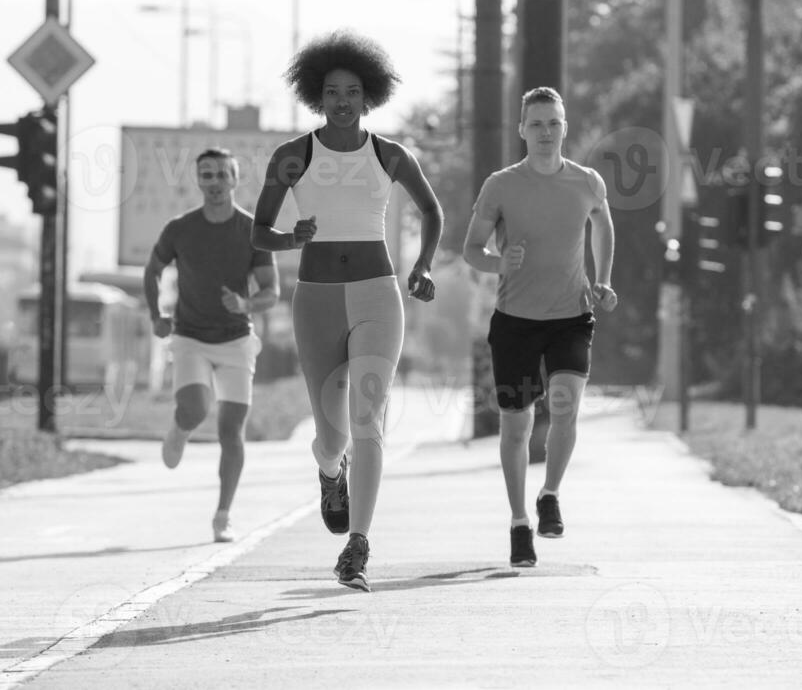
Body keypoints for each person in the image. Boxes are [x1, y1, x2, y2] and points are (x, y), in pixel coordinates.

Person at [253, 29, 443, 592]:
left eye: (353, 91)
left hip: (376, 296)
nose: (342, 100)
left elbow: (431, 212)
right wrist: (292, 238)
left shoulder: (390, 155)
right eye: (332, 91)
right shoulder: (293, 156)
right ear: (317, 96)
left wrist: (424, 266)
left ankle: (357, 546)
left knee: (368, 421)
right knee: (333, 435)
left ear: (369, 97)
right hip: (315, 301)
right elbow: (259, 232)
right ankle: (328, 470)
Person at [462, 86, 617, 569]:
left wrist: (603, 280)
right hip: (516, 323)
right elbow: (471, 250)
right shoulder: (501, 186)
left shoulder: (588, 182)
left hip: (571, 316)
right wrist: (498, 261)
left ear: (565, 128)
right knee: (517, 425)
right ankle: (518, 522)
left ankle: (549, 494)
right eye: (537, 124)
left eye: (554, 123)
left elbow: (604, 227)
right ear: (522, 130)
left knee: (566, 407)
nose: (546, 132)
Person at [144, 147, 279, 544]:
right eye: (207, 175)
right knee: (196, 407)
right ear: (198, 181)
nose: (215, 182)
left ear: (235, 180)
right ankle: (180, 428)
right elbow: (152, 271)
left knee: (230, 430)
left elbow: (272, 291)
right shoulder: (180, 228)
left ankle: (223, 515)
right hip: (189, 336)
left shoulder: (253, 230)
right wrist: (156, 314)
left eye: (222, 174)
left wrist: (246, 304)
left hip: (236, 339)